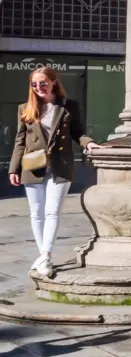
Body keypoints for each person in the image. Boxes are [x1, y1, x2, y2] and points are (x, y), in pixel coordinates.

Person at [7, 66, 99, 278]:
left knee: (52, 212)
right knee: (36, 214)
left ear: (54, 82)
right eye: (34, 84)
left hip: (60, 165)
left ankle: (46, 255)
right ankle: (43, 256)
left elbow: (78, 132)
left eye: (43, 83)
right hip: (32, 166)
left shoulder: (68, 106)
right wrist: (14, 168)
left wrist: (90, 143)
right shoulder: (26, 108)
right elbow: (20, 141)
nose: (38, 87)